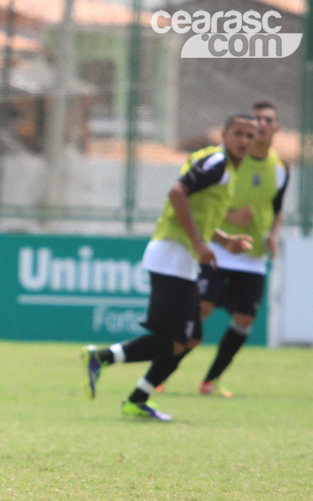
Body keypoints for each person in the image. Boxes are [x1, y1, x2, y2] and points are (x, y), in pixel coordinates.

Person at [79, 112, 256, 421]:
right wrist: (201, 245)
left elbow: (197, 212)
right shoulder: (217, 163)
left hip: (181, 258)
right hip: (173, 254)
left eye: (249, 136)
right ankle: (101, 357)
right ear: (224, 134)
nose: (243, 140)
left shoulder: (220, 166)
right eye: (238, 133)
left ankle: (137, 398)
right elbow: (177, 193)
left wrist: (223, 240)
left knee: (189, 339)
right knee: (171, 340)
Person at [194, 101, 289, 397]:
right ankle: (162, 370)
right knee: (202, 308)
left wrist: (273, 235)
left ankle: (210, 380)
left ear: (276, 128)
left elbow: (277, 208)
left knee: (245, 318)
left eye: (267, 120)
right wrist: (230, 217)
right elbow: (202, 201)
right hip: (220, 249)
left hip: (252, 257)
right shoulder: (231, 159)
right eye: (256, 119)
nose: (261, 125)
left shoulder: (280, 168)